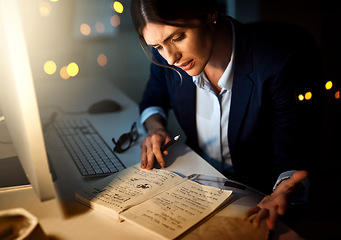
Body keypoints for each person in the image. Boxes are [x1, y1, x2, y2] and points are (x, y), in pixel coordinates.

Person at [130, 0, 322, 231]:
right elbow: (152, 100)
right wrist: (156, 128)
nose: (171, 58)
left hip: (258, 197)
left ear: (210, 12)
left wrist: (284, 189)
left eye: (178, 37)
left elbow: (291, 159)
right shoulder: (165, 57)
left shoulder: (276, 66)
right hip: (198, 188)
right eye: (158, 46)